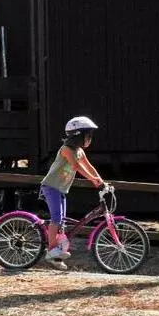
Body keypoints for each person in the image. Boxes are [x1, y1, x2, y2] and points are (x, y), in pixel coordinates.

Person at [40, 116, 108, 270]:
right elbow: (76, 166)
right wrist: (93, 179)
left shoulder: (79, 151)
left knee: (61, 220)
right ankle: (51, 250)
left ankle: (56, 255)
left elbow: (89, 167)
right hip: (51, 187)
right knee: (56, 218)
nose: (89, 139)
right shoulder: (66, 150)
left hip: (61, 188)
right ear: (78, 135)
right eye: (88, 135)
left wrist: (100, 180)